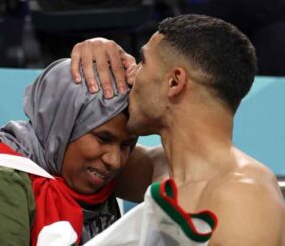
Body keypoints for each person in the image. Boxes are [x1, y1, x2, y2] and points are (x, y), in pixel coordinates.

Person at [71, 14, 285, 245]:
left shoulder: (243, 195)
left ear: (174, 82)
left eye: (142, 62)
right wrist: (97, 49)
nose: (131, 75)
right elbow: (65, 151)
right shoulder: (161, 168)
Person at [0, 58, 171, 245]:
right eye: (102, 139)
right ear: (61, 124)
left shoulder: (96, 185)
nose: (114, 161)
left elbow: (177, 164)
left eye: (126, 145)